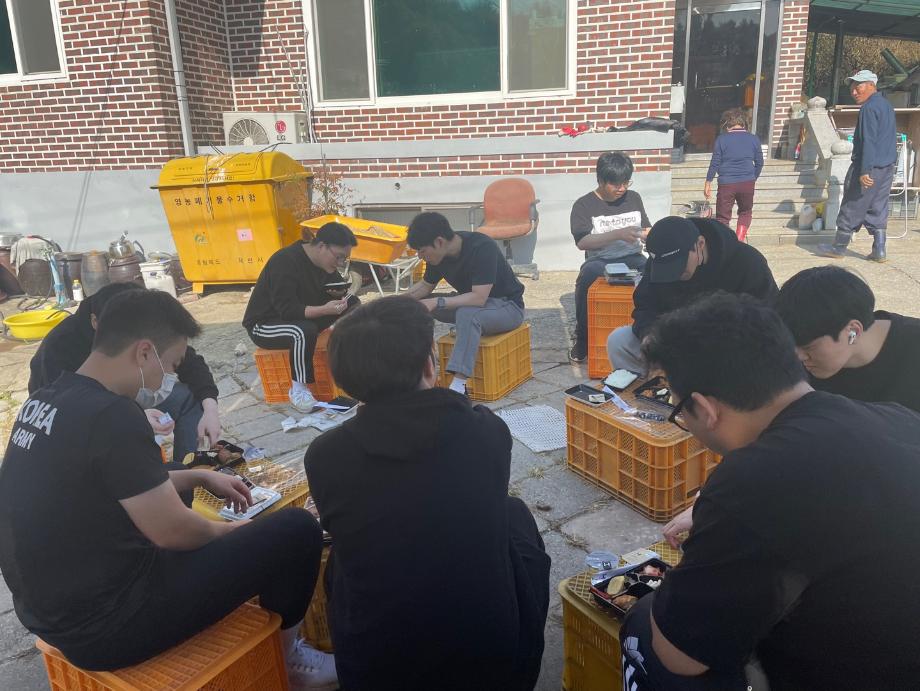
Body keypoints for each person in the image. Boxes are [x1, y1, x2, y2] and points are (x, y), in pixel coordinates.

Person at [0, 289, 336, 690]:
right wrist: (235, 533)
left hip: (49, 611)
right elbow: (174, 532)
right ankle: (289, 659)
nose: (169, 379)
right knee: (296, 531)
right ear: (144, 352)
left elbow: (104, 484)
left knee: (174, 472)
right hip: (107, 629)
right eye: (172, 365)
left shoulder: (48, 397)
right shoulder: (112, 415)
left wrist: (198, 477)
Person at [619, 292, 920, 690]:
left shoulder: (753, 482)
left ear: (705, 409)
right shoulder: (896, 417)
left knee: (643, 626)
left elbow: (681, 656)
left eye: (679, 411)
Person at [304, 296, 550, 691]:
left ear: (344, 379)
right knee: (513, 513)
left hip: (376, 670)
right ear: (429, 365)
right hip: (494, 664)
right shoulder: (486, 432)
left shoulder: (325, 455)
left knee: (342, 558)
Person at [28, 281, 220, 462]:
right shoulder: (61, 348)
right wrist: (135, 417)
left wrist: (211, 409)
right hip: (84, 424)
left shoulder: (141, 329)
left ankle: (194, 461)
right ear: (96, 321)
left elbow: (187, 361)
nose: (168, 373)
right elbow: (62, 415)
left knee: (188, 398)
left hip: (121, 408)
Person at [607, 216, 776, 376]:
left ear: (700, 244)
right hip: (676, 343)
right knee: (619, 340)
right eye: (666, 269)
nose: (673, 274)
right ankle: (645, 391)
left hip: (727, 347)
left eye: (678, 266)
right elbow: (645, 305)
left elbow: (767, 317)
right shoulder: (659, 260)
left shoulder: (747, 262)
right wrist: (649, 334)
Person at [405, 212, 525, 395]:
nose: (420, 257)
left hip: (507, 307)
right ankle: (423, 364)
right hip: (472, 304)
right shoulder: (438, 256)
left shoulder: (482, 247)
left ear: (439, 242)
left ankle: (458, 387)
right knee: (416, 306)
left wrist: (437, 302)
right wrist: (395, 302)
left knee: (467, 314)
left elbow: (479, 297)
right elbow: (425, 287)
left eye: (422, 251)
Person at [243, 221, 359, 410]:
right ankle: (298, 390)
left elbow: (340, 293)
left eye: (344, 259)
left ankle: (349, 365)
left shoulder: (325, 265)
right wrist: (325, 310)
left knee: (353, 303)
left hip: (302, 318)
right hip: (265, 325)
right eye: (338, 257)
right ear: (322, 246)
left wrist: (340, 296)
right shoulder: (284, 261)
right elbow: (287, 310)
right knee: (303, 331)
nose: (340, 263)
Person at [774, 265, 920, 412]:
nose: (798, 357)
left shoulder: (913, 347)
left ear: (853, 331)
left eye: (808, 347)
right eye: (790, 345)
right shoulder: (788, 365)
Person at [568, 152, 651, 363]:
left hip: (632, 256)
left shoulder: (633, 198)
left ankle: (646, 333)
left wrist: (649, 235)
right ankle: (583, 337)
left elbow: (646, 227)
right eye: (615, 184)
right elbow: (582, 242)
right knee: (588, 275)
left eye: (626, 182)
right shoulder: (584, 205)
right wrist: (618, 234)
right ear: (601, 180)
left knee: (651, 271)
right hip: (600, 260)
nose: (622, 188)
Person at [817, 70, 897, 262]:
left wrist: (864, 170)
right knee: (878, 206)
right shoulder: (886, 105)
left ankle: (838, 248)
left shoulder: (869, 108)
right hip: (886, 167)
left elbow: (869, 140)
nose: (854, 92)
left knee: (853, 204)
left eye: (858, 86)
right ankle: (879, 250)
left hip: (869, 166)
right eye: (852, 88)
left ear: (871, 85)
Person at [703, 108, 763, 242]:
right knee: (745, 212)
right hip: (747, 182)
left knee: (723, 218)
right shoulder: (754, 139)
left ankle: (726, 243)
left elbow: (715, 162)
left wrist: (708, 182)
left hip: (726, 183)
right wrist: (752, 177)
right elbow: (760, 163)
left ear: (726, 125)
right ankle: (739, 240)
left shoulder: (721, 139)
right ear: (744, 123)